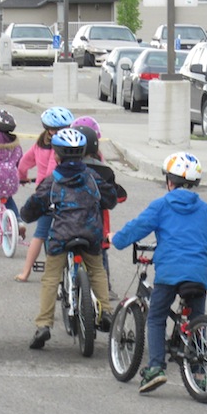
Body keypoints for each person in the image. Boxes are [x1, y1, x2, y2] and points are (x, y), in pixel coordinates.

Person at [108, 152, 207, 393]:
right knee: (196, 322)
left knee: (157, 316)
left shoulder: (161, 205)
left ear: (169, 182)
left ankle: (155, 368)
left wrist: (116, 240)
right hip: (198, 274)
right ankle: (199, 372)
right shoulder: (204, 209)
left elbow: (137, 227)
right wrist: (201, 245)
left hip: (169, 274)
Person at [21, 128, 118, 349]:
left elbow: (32, 207)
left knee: (51, 276)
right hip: (91, 233)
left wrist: (27, 215)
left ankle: (44, 325)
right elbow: (111, 199)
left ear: (56, 155)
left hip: (61, 236)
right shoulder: (93, 177)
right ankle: (106, 311)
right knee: (97, 270)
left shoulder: (51, 181)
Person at [14, 107, 74, 282]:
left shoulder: (39, 144)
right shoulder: (62, 146)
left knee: (40, 233)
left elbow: (24, 164)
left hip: (44, 195)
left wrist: (23, 178)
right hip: (63, 193)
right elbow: (52, 172)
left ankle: (25, 272)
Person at [72, 118, 127, 300]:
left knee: (67, 253)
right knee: (101, 261)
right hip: (98, 228)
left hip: (71, 226)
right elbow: (119, 196)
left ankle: (68, 285)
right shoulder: (105, 171)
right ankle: (106, 289)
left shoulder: (67, 169)